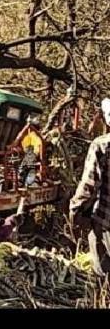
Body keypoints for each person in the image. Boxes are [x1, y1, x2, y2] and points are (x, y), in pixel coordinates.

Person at [69, 101, 110, 277]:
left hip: (106, 222)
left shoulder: (102, 145)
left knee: (103, 273)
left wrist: (75, 210)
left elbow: (89, 185)